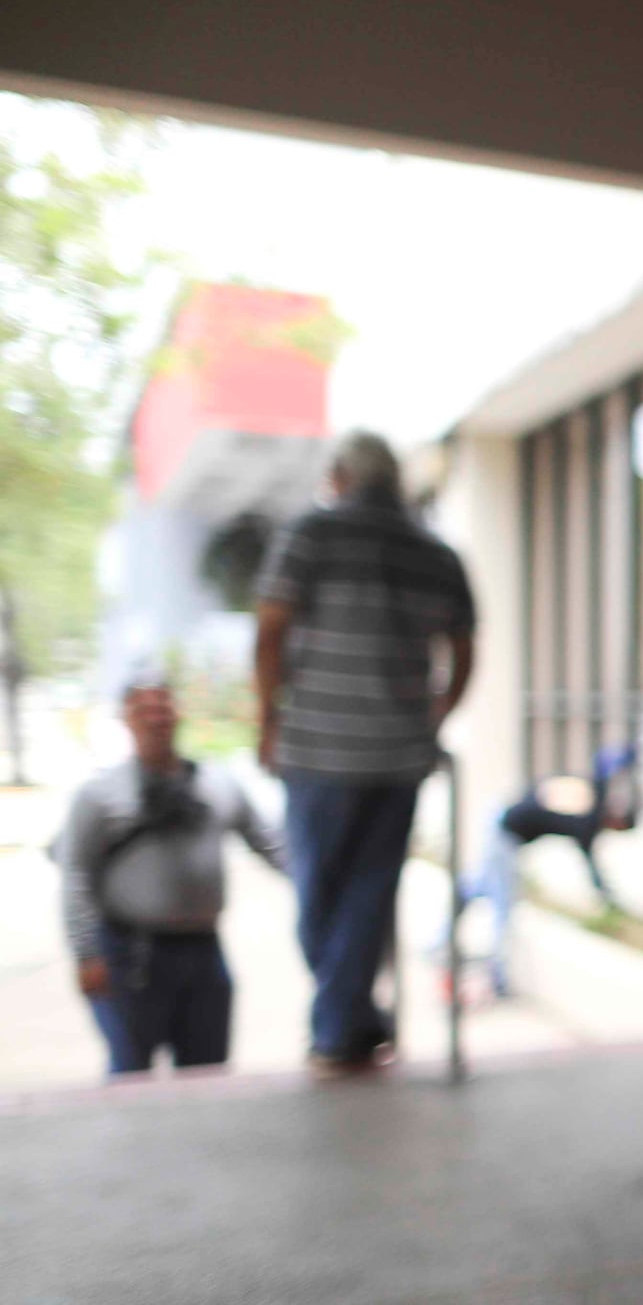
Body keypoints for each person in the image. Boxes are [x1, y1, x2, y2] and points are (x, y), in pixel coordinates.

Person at [254, 431, 476, 1073]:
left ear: (342, 476)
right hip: (397, 754)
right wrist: (436, 713)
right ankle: (355, 1022)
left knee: (321, 897)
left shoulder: (309, 535)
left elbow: (270, 632)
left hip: (320, 750)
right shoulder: (434, 551)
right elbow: (465, 650)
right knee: (364, 896)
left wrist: (269, 719)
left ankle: (337, 1031)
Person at [60, 675, 285, 1075]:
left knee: (207, 1074)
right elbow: (75, 876)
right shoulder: (100, 795)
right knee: (132, 1072)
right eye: (142, 708)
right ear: (125, 719)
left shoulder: (217, 784)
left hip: (203, 951)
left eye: (163, 705)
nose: (155, 717)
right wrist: (86, 953)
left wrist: (325, 879)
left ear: (177, 713)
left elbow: (272, 846)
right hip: (132, 955)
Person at [441, 746, 636, 998]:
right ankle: (497, 976)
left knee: (478, 887)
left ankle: (437, 942)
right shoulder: (591, 815)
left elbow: (601, 764)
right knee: (502, 905)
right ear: (617, 823)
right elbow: (603, 763)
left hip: (504, 821)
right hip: (508, 832)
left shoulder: (592, 803)